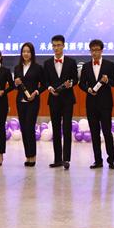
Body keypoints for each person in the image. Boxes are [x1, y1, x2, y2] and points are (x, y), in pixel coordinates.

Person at [78, 39, 114, 170]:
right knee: (94, 133)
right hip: (91, 104)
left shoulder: (109, 65)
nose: (95, 53)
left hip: (105, 104)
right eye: (92, 50)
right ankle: (97, 160)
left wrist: (107, 81)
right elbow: (81, 84)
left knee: (107, 132)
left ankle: (112, 160)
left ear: (101, 51)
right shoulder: (86, 66)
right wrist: (88, 89)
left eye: (97, 50)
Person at [43, 35, 78, 170]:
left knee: (67, 128)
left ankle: (66, 159)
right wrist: (49, 88)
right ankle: (57, 159)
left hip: (67, 99)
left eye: (59, 45)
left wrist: (71, 84)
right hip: (53, 100)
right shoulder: (47, 63)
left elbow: (75, 79)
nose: (56, 48)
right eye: (54, 45)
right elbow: (46, 81)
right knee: (56, 129)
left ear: (63, 46)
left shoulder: (71, 62)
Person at [14, 42, 45, 167]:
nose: (25, 54)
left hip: (33, 101)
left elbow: (44, 85)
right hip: (20, 101)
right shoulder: (17, 68)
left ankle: (33, 156)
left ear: (32, 53)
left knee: (29, 128)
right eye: (24, 51)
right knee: (23, 128)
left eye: (28, 51)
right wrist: (16, 83)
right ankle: (27, 156)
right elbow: (16, 86)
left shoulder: (38, 68)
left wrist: (36, 92)